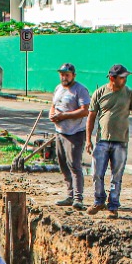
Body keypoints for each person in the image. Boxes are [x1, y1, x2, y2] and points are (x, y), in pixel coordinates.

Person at [85, 64, 132, 219]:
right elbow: (91, 116)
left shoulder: (130, 94)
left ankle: (113, 206)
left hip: (121, 142)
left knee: (116, 176)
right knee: (97, 173)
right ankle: (99, 201)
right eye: (122, 77)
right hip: (102, 141)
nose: (124, 80)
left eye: (125, 77)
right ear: (112, 78)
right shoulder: (99, 93)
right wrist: (88, 139)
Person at [49, 63, 91, 209]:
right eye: (62, 74)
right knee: (63, 164)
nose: (64, 77)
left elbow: (85, 110)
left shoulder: (80, 90)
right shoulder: (58, 88)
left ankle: (78, 198)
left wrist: (64, 116)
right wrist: (52, 114)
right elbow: (54, 105)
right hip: (60, 131)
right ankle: (69, 195)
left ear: (73, 75)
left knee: (74, 165)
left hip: (74, 133)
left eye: (67, 74)